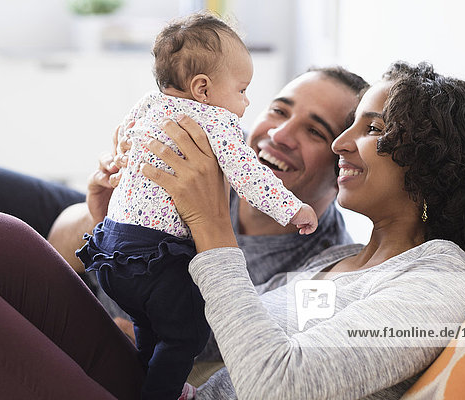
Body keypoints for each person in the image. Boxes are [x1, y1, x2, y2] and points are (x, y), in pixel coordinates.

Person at [0, 61, 465, 399]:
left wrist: (211, 226)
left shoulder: (437, 287)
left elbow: (277, 385)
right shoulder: (340, 261)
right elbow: (208, 337)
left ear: (431, 159)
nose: (343, 143)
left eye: (368, 128)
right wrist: (121, 235)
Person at [75, 12, 318, 399]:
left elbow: (122, 134)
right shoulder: (217, 122)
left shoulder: (150, 103)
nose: (246, 100)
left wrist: (120, 154)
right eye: (241, 89)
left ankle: (141, 380)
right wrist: (293, 209)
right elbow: (250, 177)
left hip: (111, 251)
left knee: (148, 325)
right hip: (156, 257)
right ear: (203, 88)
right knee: (185, 333)